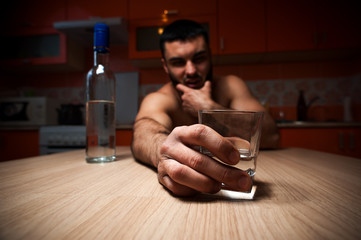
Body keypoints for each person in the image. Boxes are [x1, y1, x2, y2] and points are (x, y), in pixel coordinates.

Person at [131, 19, 279, 197]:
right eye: (178, 62)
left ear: (210, 55)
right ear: (165, 65)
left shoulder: (231, 86)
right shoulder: (160, 99)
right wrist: (165, 152)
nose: (191, 70)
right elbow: (142, 135)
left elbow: (271, 135)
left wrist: (209, 108)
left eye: (199, 58)